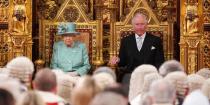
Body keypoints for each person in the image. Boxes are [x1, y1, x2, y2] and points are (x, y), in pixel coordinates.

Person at [109, 12, 164, 83]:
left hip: (149, 76)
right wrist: (117, 59)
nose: (140, 27)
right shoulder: (126, 41)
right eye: (137, 24)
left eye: (142, 24)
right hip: (130, 75)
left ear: (146, 25)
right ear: (133, 26)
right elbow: (122, 62)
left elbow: (160, 62)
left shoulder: (156, 40)